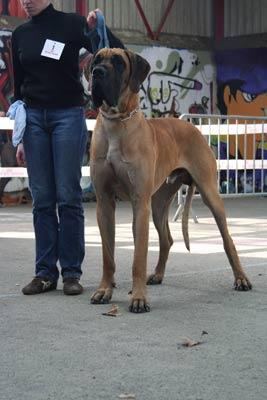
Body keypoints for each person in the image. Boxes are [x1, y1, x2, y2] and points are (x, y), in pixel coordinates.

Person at [11, 0, 124, 295]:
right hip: (33, 120)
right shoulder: (19, 35)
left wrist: (99, 26)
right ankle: (45, 273)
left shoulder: (73, 24)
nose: (24, 1)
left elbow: (111, 51)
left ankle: (72, 273)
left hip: (67, 117)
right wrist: (21, 137)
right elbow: (18, 88)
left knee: (69, 196)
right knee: (42, 199)